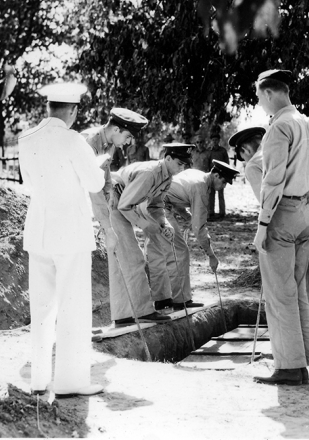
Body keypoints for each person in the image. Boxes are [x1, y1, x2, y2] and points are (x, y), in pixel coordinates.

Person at [19, 82, 105, 398]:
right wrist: (100, 165)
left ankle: (39, 379)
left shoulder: (25, 138)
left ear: (49, 107)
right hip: (69, 232)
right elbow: (95, 184)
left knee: (41, 308)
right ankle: (71, 381)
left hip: (39, 230)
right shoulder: (72, 139)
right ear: (71, 110)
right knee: (73, 306)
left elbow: (29, 182)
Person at [233, 126, 309, 358]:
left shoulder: (255, 163)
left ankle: (290, 357)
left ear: (245, 149)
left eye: (240, 155)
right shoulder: (293, 149)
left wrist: (263, 234)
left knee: (285, 287)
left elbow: (267, 205)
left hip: (294, 214)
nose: (243, 160)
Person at [251, 69, 309, 386]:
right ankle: (304, 361)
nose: (260, 104)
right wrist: (307, 211)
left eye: (259, 97)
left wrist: (263, 224)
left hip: (281, 215)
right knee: (296, 292)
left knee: (280, 296)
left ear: (268, 93)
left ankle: (290, 368)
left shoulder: (279, 127)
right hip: (305, 212)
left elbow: (273, 181)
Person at [81, 108, 157, 327]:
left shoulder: (108, 142)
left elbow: (103, 178)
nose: (128, 143)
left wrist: (111, 193)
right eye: (128, 136)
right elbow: (94, 191)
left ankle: (125, 315)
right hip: (76, 208)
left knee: (124, 255)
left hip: (97, 203)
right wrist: (106, 226)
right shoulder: (90, 143)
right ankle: (128, 314)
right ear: (115, 129)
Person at [110, 144, 195, 323]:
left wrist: (164, 225)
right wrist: (145, 225)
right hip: (115, 199)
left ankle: (143, 308)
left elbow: (156, 205)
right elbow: (124, 205)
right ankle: (139, 313)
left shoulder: (166, 176)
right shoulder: (150, 173)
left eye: (185, 165)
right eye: (180, 163)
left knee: (144, 253)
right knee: (133, 258)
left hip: (128, 202)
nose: (182, 168)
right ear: (168, 158)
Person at [158, 160, 238, 309]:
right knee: (180, 252)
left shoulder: (197, 175)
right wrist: (211, 256)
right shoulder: (201, 188)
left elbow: (177, 198)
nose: (224, 187)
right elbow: (199, 229)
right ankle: (180, 301)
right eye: (224, 182)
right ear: (215, 175)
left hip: (154, 203)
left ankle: (160, 299)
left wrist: (189, 218)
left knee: (159, 253)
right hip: (159, 207)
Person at [208, 133, 230, 219]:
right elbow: (207, 163)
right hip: (212, 175)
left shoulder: (223, 151)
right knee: (211, 194)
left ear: (219, 141)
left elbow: (227, 163)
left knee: (221, 194)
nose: (215, 142)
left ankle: (222, 213)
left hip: (221, 175)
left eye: (216, 140)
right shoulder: (209, 151)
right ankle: (211, 212)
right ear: (211, 141)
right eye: (213, 140)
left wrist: (226, 175)